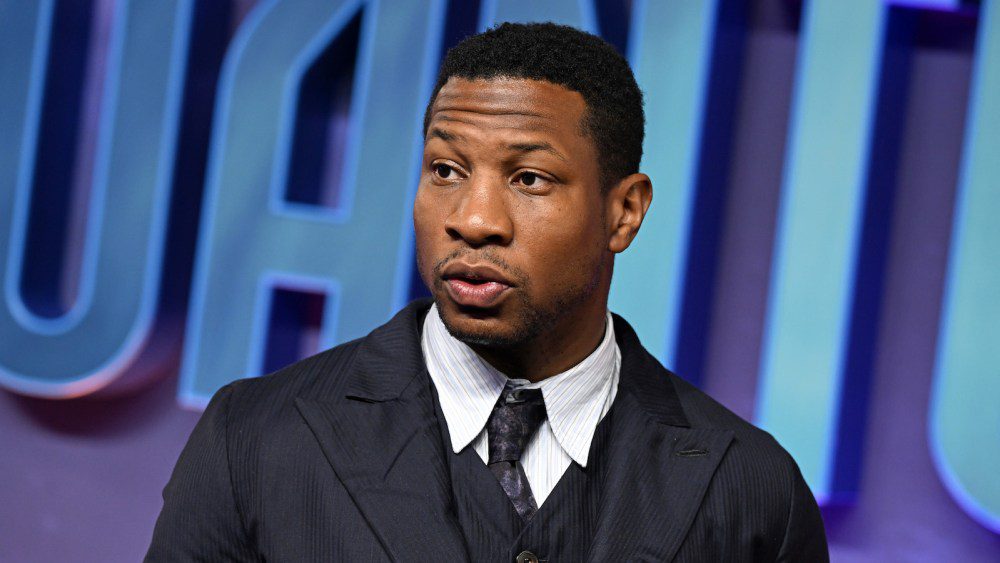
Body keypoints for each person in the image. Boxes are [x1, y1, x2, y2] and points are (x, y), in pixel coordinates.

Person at [146, 22, 828, 562]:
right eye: (445, 169)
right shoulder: (256, 440)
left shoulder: (751, 489)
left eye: (528, 178)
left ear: (624, 212)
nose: (473, 219)